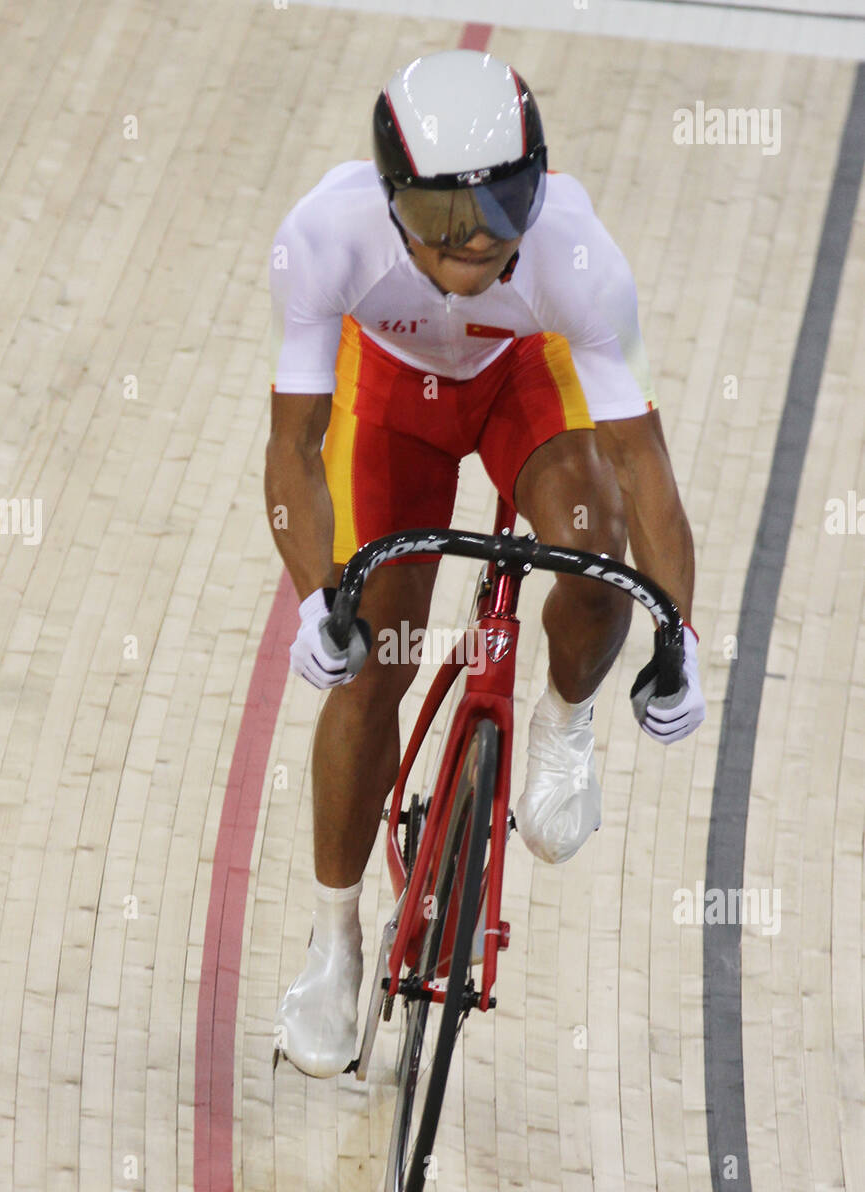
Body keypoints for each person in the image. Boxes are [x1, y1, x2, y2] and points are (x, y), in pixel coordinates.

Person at [267, 49, 705, 1078]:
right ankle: (333, 944)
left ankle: (562, 721)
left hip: (521, 383)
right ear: (387, 200)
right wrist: (310, 598)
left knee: (594, 558)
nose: (470, 243)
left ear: (535, 184)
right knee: (376, 654)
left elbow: (643, 462)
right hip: (392, 397)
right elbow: (292, 447)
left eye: (496, 209)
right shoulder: (323, 235)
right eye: (437, 217)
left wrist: (679, 633)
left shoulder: (578, 256)